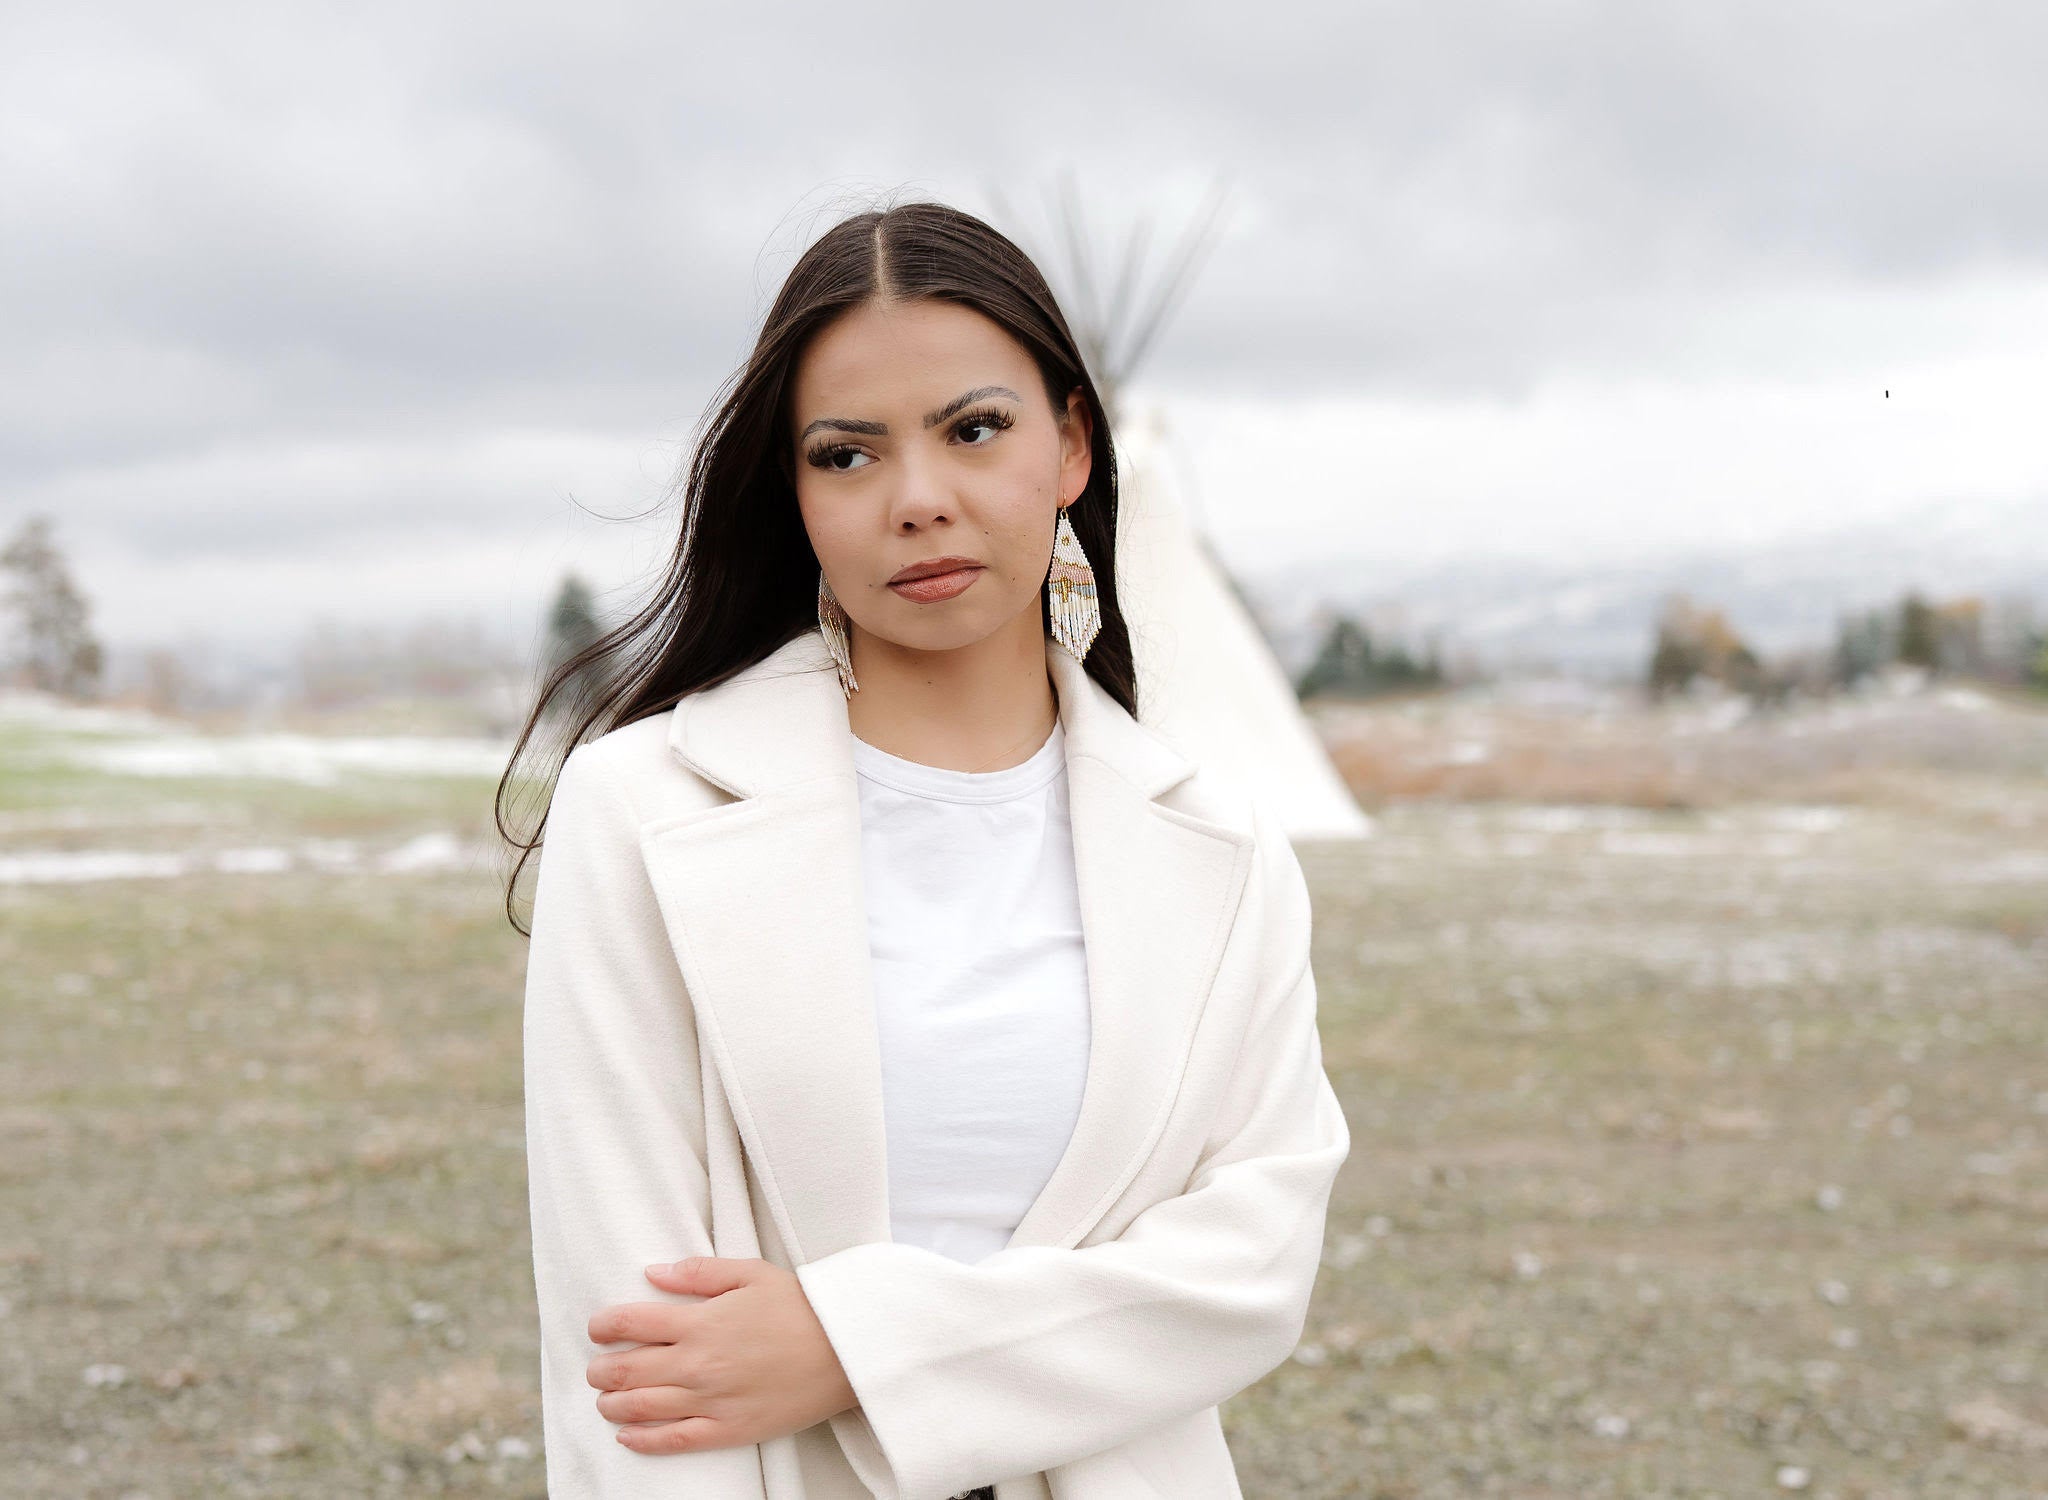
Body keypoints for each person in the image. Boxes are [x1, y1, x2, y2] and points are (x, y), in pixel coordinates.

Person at [502, 197, 1352, 1500]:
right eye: (846, 455)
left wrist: (853, 1348)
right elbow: (633, 1362)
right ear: (790, 493)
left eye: (974, 430)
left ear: (1070, 444)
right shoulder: (642, 812)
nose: (918, 500)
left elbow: (1251, 1270)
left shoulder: (1221, 848)